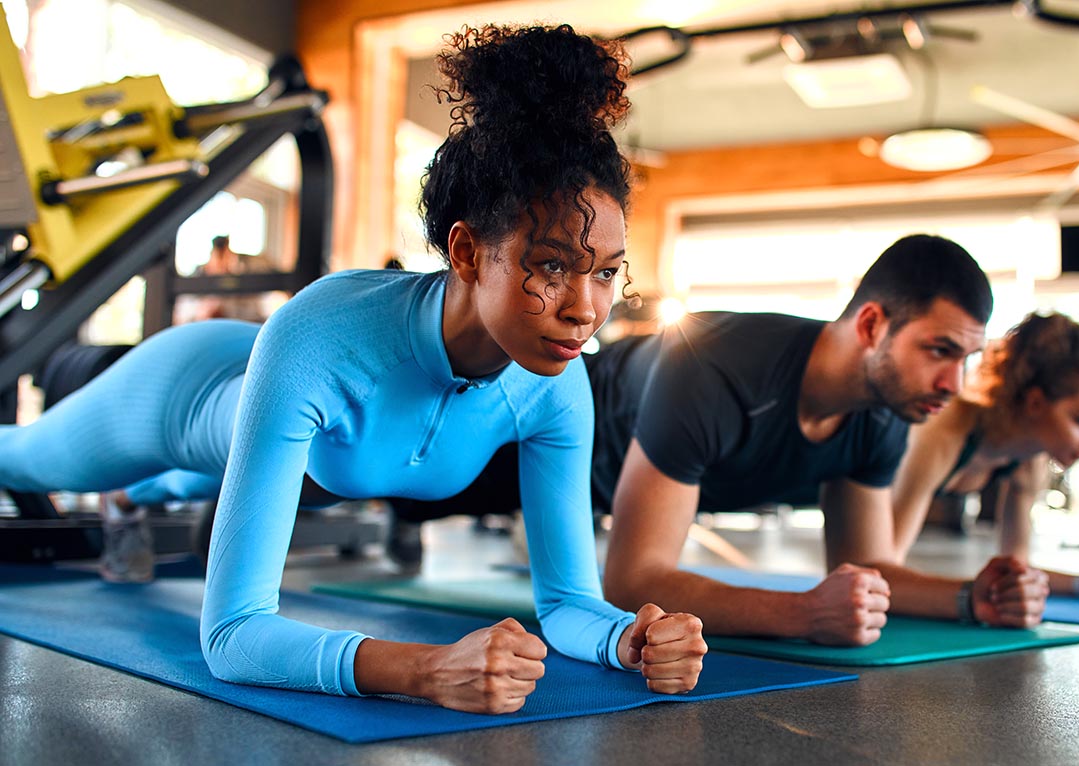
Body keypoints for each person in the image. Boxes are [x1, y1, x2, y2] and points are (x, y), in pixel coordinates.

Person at [0, 24, 705, 713]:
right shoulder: (324, 338)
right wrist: (424, 669)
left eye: (607, 273)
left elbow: (568, 604)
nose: (586, 309)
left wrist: (628, 639)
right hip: (186, 390)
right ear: (464, 253)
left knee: (237, 479)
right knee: (25, 458)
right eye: (551, 266)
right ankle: (123, 491)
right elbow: (231, 635)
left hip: (308, 454)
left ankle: (134, 501)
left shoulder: (556, 387)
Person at [406, 234, 995, 646]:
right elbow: (634, 580)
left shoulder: (886, 412)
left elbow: (866, 566)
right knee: (392, 483)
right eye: (939, 351)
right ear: (871, 326)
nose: (954, 384)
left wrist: (975, 597)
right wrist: (803, 612)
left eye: (967, 358)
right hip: (532, 435)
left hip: (602, 489)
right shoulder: (718, 366)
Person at [867, 311, 1079, 627]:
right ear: (1034, 403)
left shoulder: (1029, 459)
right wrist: (973, 599)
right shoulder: (943, 432)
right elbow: (880, 574)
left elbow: (1017, 569)